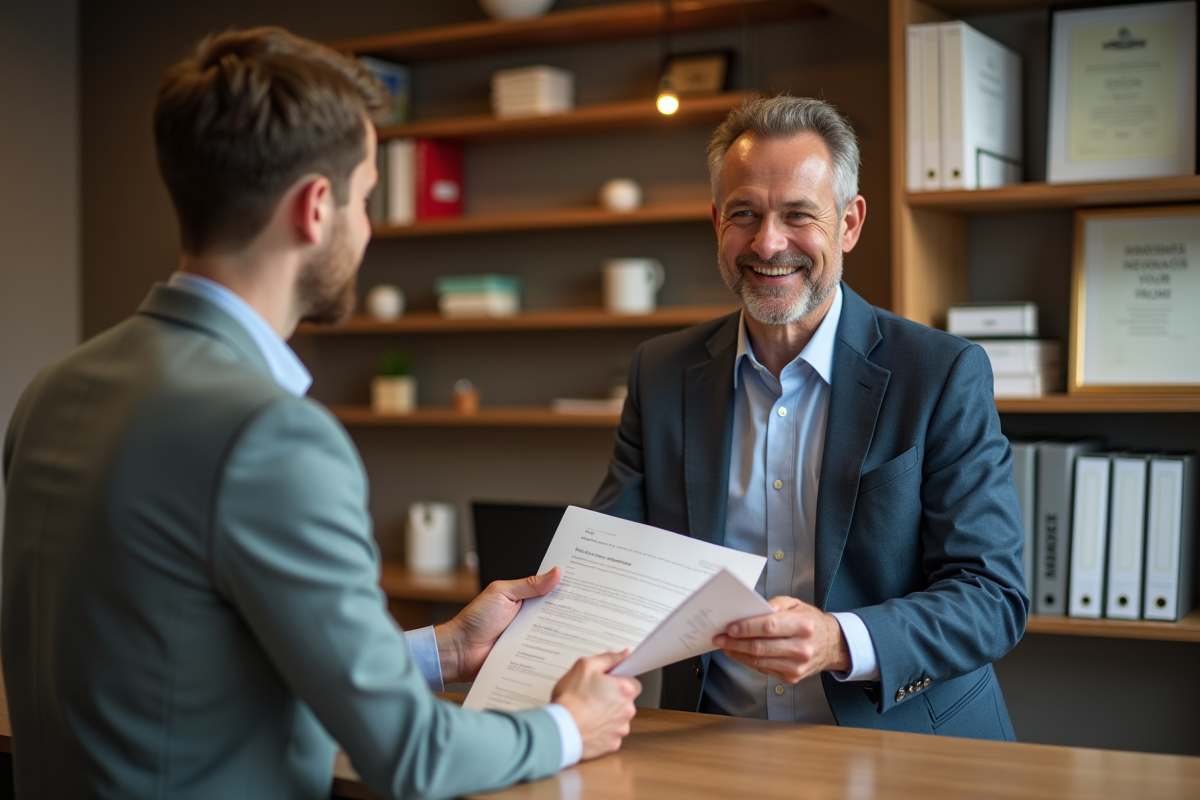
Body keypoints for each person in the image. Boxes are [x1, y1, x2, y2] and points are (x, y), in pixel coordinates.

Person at [1, 27, 640, 800]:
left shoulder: (54, 389)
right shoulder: (272, 435)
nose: (367, 227)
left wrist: (444, 648)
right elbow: (412, 755)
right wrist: (572, 724)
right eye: (366, 198)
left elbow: (199, 658)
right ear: (314, 208)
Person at [591, 95, 1028, 739]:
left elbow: (992, 597)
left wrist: (839, 641)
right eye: (744, 214)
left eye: (798, 215)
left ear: (849, 224)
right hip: (710, 747)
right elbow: (612, 563)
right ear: (717, 222)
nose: (769, 242)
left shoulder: (940, 373)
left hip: (906, 747)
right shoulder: (659, 373)